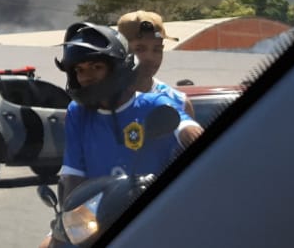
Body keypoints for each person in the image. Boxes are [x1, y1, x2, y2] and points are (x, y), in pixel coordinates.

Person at [39, 22, 203, 247]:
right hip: (98, 222)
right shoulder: (77, 113)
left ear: (117, 67)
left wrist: (193, 134)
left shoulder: (153, 104)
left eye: (96, 66)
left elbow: (185, 127)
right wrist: (66, 224)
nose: (86, 76)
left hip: (157, 219)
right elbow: (72, 175)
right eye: (79, 70)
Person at [116, 10, 196, 119]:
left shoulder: (179, 103)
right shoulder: (103, 101)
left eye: (157, 49)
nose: (150, 57)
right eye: (140, 49)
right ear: (121, 49)